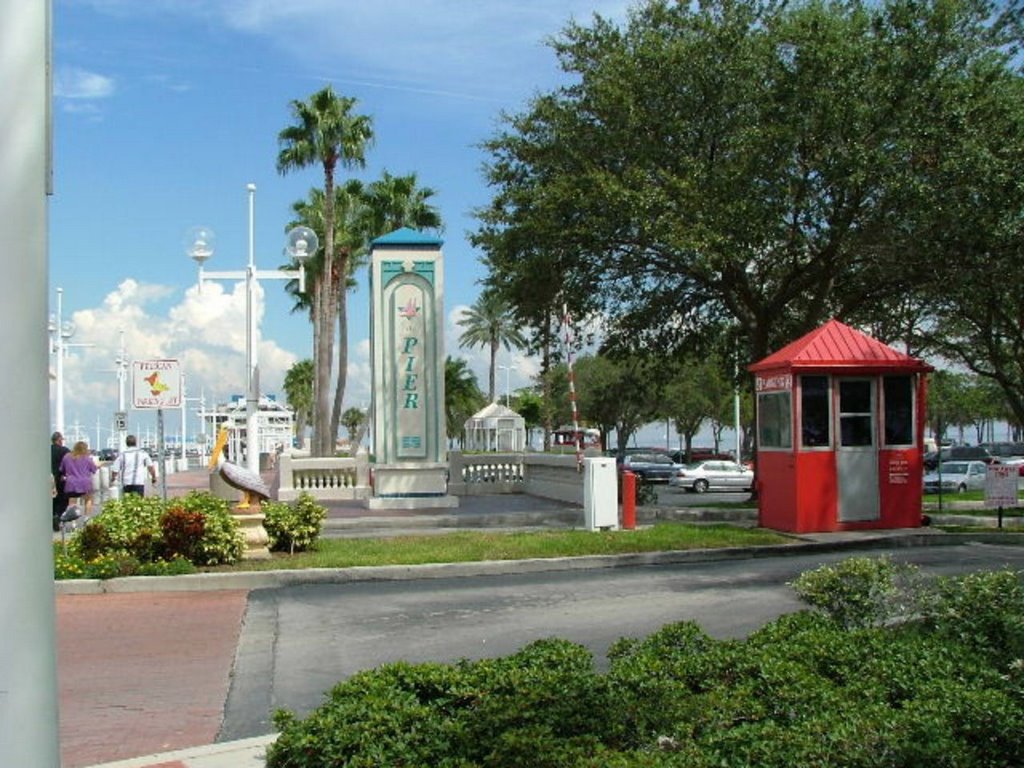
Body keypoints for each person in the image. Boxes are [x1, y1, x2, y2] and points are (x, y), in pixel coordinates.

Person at [60, 440, 98, 516]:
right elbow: (94, 469)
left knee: (72, 502)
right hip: (85, 484)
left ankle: (73, 522)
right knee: (88, 500)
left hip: (71, 484)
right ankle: (87, 518)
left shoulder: (67, 457)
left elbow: (62, 469)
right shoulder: (87, 458)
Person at [51, 431, 70, 531]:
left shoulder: (46, 449)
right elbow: (71, 462)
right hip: (60, 478)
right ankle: (58, 517)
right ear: (59, 440)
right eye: (61, 440)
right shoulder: (64, 451)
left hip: (48, 478)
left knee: (51, 500)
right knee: (62, 500)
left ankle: (53, 515)